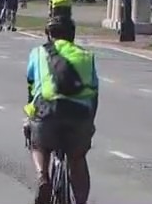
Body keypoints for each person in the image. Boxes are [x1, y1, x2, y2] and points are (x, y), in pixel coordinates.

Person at [25, 16, 98, 204]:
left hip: (47, 111)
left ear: (48, 35)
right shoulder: (86, 56)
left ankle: (43, 177)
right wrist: (90, 124)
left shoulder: (38, 53)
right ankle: (81, 201)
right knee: (77, 158)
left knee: (38, 143)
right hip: (79, 115)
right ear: (73, 36)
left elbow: (32, 88)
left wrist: (29, 119)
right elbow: (94, 94)